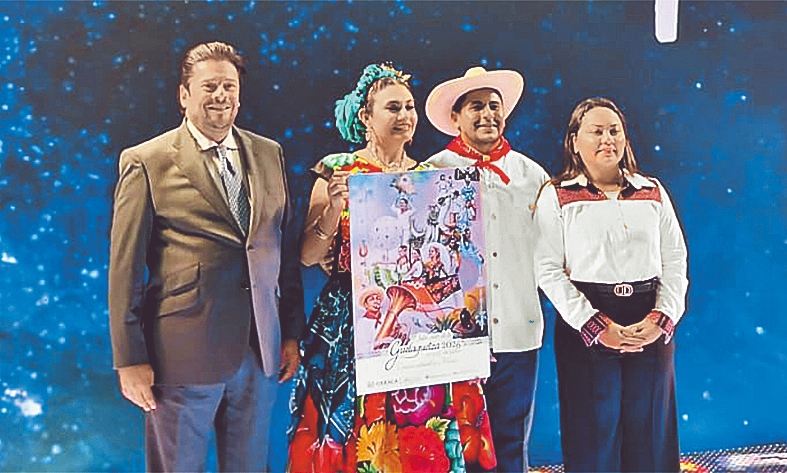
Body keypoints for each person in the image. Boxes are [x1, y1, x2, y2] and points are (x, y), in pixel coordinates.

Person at [288, 63, 496, 473]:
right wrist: (334, 207)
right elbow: (308, 256)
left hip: (415, 323)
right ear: (366, 116)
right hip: (352, 321)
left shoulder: (431, 177)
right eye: (392, 108)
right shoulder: (337, 170)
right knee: (356, 430)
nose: (404, 116)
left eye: (410, 107)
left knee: (420, 430)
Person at [108, 41, 305, 472]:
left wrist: (290, 332)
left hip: (260, 353)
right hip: (181, 357)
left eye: (229, 86)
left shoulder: (269, 153)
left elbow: (282, 250)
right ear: (184, 95)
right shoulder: (147, 161)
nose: (221, 96)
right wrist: (129, 359)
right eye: (210, 86)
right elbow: (125, 271)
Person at [533, 97, 688, 472]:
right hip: (586, 322)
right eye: (596, 131)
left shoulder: (652, 191)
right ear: (574, 141)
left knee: (651, 431)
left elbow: (675, 259)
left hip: (648, 319)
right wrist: (594, 325)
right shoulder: (557, 196)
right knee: (592, 432)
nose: (607, 139)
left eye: (614, 130)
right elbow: (548, 269)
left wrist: (661, 319)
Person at [425, 67, 549, 472]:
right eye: (476, 106)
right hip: (454, 337)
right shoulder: (429, 173)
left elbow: (551, 251)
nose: (487, 115)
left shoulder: (532, 176)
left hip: (517, 329)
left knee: (511, 439)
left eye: (494, 106)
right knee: (457, 446)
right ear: (456, 117)